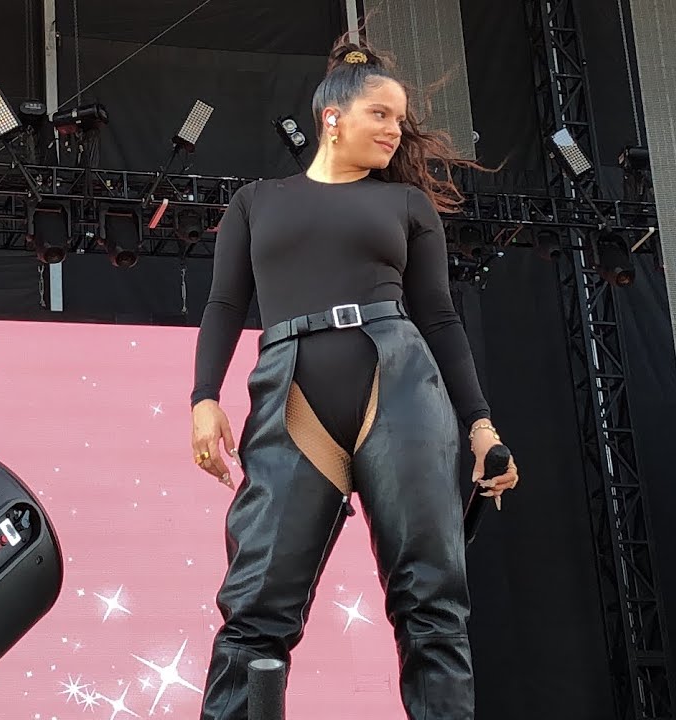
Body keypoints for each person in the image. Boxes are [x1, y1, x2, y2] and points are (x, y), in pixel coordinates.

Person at [188, 35, 519, 719]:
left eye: (399, 118)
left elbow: (440, 319)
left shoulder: (408, 207)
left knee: (432, 600)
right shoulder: (256, 201)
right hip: (291, 393)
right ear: (332, 117)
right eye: (381, 114)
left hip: (401, 386)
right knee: (256, 604)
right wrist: (204, 398)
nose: (395, 129)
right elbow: (224, 305)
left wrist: (481, 427)